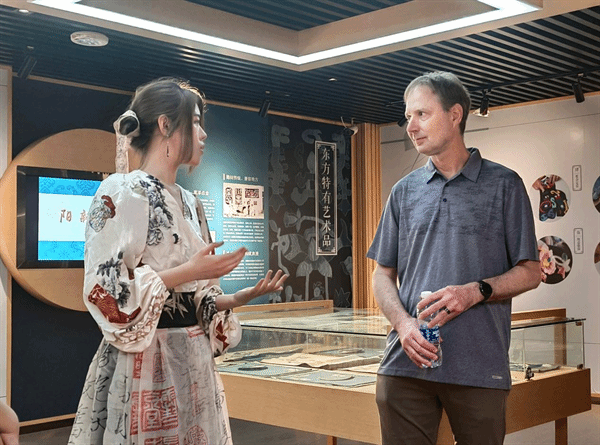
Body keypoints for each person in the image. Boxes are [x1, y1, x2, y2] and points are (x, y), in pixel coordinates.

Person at [68, 78, 287, 445]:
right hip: (147, 355)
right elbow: (105, 289)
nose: (203, 134)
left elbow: (197, 297)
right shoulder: (124, 191)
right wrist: (189, 271)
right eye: (195, 122)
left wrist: (238, 297)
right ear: (165, 125)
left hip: (193, 356)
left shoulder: (189, 201)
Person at [367, 71, 541, 445]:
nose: (411, 126)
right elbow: (382, 274)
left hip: (478, 367)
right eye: (408, 116)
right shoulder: (403, 191)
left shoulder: (505, 185)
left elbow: (531, 272)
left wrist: (474, 291)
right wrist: (403, 325)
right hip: (405, 365)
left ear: (455, 114)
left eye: (422, 114)